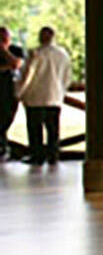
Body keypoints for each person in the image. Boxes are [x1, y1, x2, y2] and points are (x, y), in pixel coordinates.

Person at [16, 27, 71, 166]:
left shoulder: (35, 53)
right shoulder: (63, 54)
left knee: (35, 129)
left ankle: (37, 155)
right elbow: (67, 76)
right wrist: (62, 91)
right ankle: (53, 155)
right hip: (55, 96)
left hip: (35, 97)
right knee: (53, 129)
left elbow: (27, 75)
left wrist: (18, 92)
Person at [0, 27, 23, 160]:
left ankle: (3, 146)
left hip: (10, 90)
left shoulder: (15, 50)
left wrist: (4, 50)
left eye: (5, 37)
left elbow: (16, 64)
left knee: (7, 117)